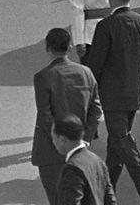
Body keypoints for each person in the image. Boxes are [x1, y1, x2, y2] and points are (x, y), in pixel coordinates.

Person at [86, 0, 140, 205]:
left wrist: (88, 93)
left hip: (112, 96)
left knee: (121, 141)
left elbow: (95, 64)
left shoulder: (106, 26)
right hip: (134, 94)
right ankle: (104, 193)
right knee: (117, 144)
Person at [32, 28, 103, 205]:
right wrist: (84, 139)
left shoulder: (43, 77)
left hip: (51, 154)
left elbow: (45, 115)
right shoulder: (86, 73)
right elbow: (96, 111)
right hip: (80, 149)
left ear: (47, 47)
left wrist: (59, 140)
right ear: (69, 47)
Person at [51, 114, 117, 205]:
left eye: (53, 138)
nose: (53, 142)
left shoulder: (72, 169)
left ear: (62, 140)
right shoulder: (98, 161)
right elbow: (111, 200)